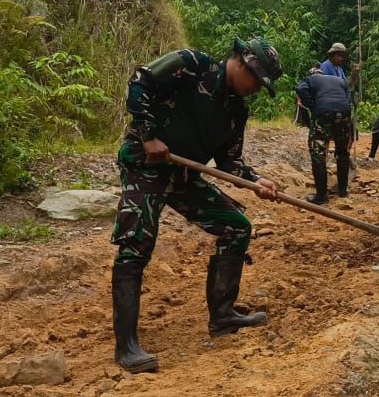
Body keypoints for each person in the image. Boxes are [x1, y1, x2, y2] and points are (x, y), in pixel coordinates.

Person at [110, 37, 283, 374]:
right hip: (145, 165)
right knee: (136, 243)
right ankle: (127, 346)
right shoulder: (190, 64)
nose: (255, 89)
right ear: (239, 61)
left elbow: (229, 162)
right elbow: (139, 82)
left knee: (237, 227)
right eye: (255, 80)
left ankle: (222, 315)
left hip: (183, 174)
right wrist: (147, 135)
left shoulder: (237, 111)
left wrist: (255, 179)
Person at [295, 68, 354, 203]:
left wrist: (312, 106)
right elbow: (348, 93)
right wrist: (344, 108)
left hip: (323, 112)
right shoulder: (339, 79)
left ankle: (321, 196)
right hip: (344, 112)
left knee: (318, 152)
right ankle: (343, 192)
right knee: (343, 151)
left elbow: (300, 89)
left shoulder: (311, 79)